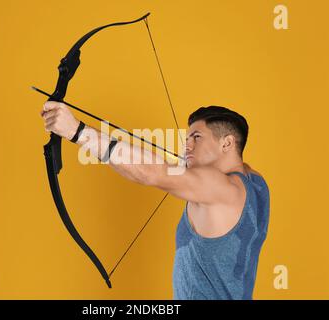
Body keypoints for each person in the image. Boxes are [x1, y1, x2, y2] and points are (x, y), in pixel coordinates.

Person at [40, 102, 270, 300]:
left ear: (227, 143)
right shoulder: (255, 182)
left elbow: (150, 172)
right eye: (187, 138)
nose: (186, 146)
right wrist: (187, 170)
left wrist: (76, 131)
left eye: (196, 137)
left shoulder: (221, 188)